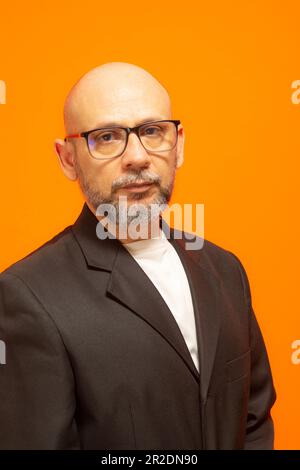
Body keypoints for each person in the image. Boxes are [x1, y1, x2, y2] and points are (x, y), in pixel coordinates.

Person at [0, 62, 276, 450]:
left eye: (151, 131)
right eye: (108, 137)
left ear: (178, 145)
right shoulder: (26, 296)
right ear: (68, 159)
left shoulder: (226, 270)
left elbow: (254, 422)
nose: (137, 157)